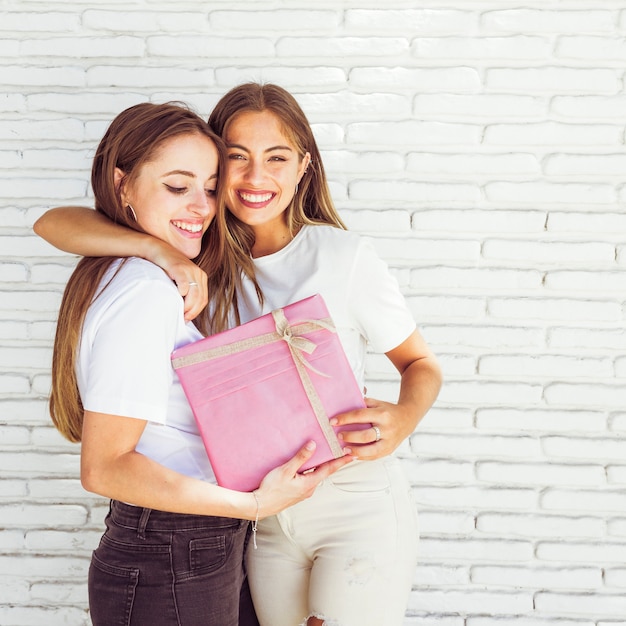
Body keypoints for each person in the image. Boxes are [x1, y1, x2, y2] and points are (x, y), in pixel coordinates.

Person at [35, 84, 443, 626]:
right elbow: (53, 224)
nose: (255, 178)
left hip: (351, 506)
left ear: (305, 167)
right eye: (235, 159)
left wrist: (403, 417)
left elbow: (422, 364)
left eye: (276, 157)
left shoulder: (342, 256)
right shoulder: (200, 256)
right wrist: (154, 249)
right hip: (263, 523)